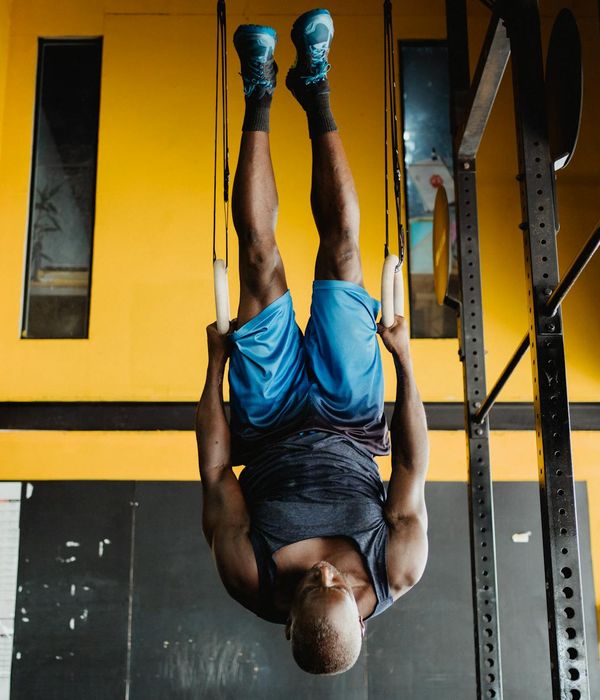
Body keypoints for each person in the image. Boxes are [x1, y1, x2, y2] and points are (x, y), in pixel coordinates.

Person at [196, 8, 429, 676]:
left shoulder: (248, 574)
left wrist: (215, 368)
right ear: (360, 617)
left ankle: (261, 90)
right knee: (345, 255)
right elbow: (412, 464)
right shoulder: (396, 568)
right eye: (340, 589)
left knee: (260, 262)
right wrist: (404, 359)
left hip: (266, 424)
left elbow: (216, 472)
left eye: (311, 585)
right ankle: (316, 85)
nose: (327, 573)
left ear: (288, 619)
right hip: (354, 418)